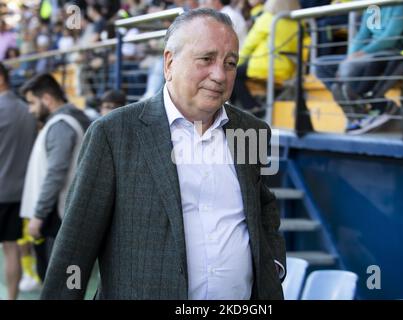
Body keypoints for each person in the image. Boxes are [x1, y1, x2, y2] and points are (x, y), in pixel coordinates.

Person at [40, 8, 286, 300]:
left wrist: (273, 265)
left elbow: (263, 206)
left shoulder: (251, 130)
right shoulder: (114, 133)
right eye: (206, 59)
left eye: (230, 63)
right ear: (169, 62)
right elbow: (76, 244)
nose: (219, 74)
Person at [19, 74, 91, 282]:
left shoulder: (61, 125)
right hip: (64, 213)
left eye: (32, 103)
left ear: (47, 99)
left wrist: (38, 215)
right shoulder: (71, 119)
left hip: (56, 217)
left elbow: (55, 174)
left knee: (58, 283)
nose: (31, 110)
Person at [315, 5, 403, 133]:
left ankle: (370, 109)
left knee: (350, 71)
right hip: (365, 55)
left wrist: (363, 52)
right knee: (321, 65)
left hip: (389, 53)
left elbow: (389, 38)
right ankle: (360, 112)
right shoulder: (373, 8)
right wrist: (351, 56)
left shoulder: (399, 6)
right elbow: (362, 35)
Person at [0, 63, 37, 299]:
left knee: (11, 249)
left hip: (2, 190)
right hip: (23, 192)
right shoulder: (28, 109)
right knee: (13, 248)